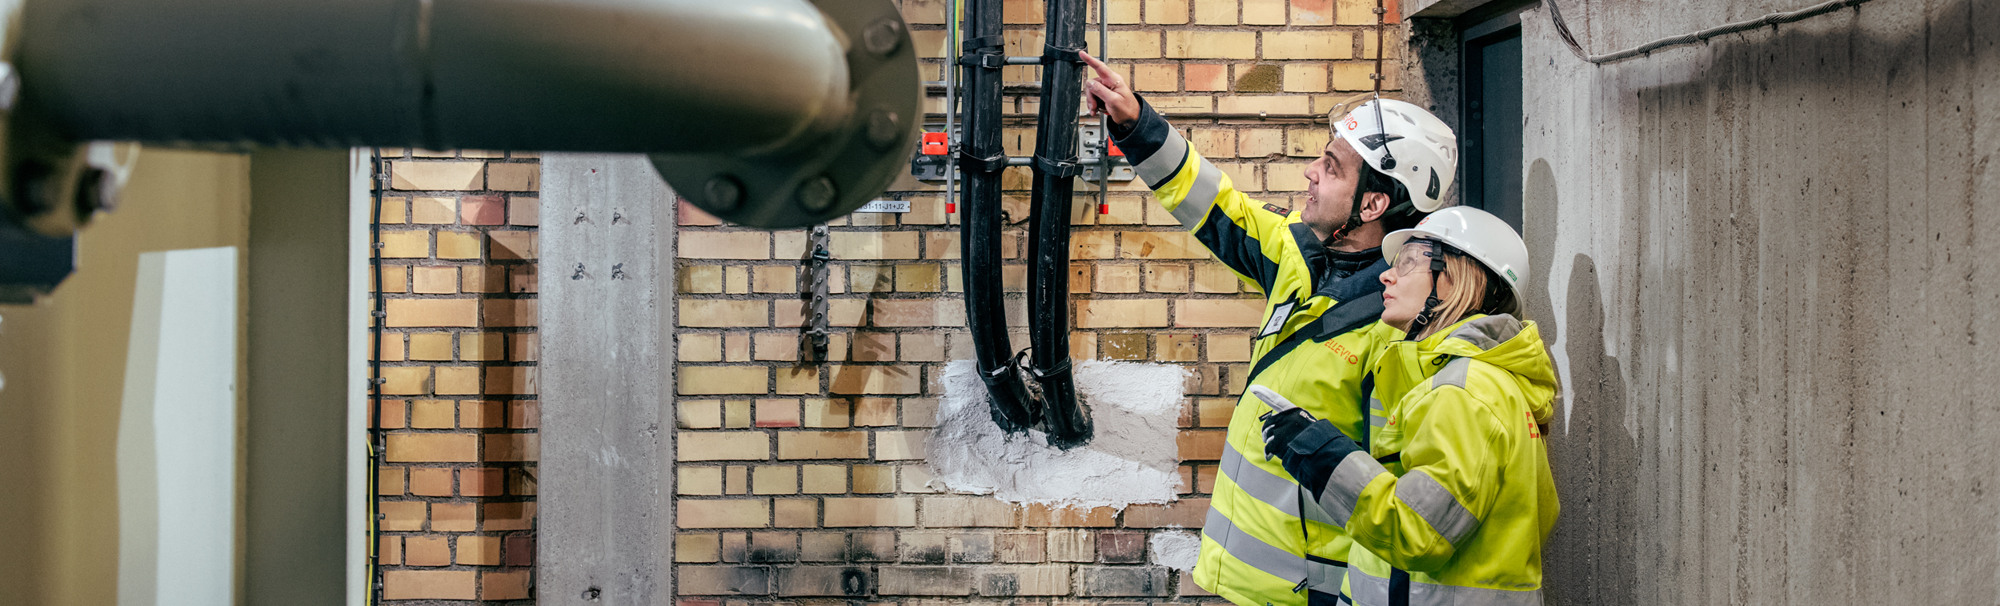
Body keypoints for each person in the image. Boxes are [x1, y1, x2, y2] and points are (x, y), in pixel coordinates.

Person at [1079, 50, 1460, 605]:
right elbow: (1213, 203)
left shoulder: (1402, 323)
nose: (1311, 172)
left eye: (1331, 167)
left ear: (1373, 202)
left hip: (1308, 594)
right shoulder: (1300, 254)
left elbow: (1401, 500)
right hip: (1240, 583)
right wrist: (1137, 125)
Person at [1256, 206, 1560, 606]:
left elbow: (1419, 531)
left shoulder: (1464, 394)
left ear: (1455, 280)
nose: (1387, 274)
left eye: (1409, 261)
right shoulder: (1476, 383)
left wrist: (1327, 457)